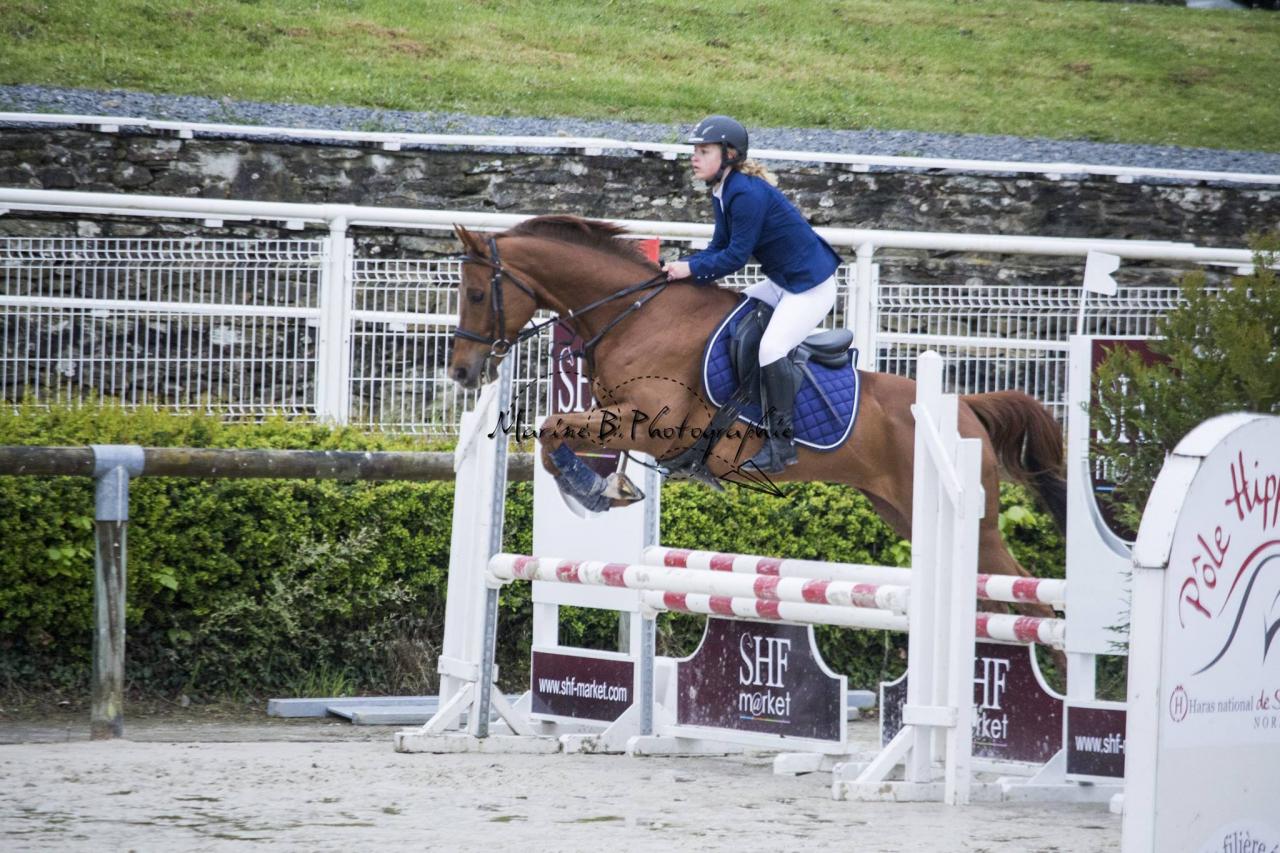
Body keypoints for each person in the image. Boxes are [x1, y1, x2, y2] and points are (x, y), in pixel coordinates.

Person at [661, 115, 841, 474]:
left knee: (771, 349)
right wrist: (684, 269)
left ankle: (781, 444)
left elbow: (735, 257)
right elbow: (718, 246)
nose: (694, 157)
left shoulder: (743, 192)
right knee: (733, 320)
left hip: (809, 287)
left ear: (728, 154)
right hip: (783, 281)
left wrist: (691, 270)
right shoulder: (724, 189)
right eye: (694, 151)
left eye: (703, 151)